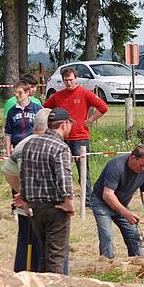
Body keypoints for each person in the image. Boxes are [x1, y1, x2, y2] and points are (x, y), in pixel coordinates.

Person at [19, 107, 76, 274]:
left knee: (44, 255)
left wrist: (25, 201)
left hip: (35, 207)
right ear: (65, 124)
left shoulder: (30, 143)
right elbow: (63, 176)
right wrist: (69, 202)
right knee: (56, 257)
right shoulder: (60, 147)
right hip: (55, 207)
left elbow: (24, 173)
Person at [44, 67, 108, 210]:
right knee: (59, 169)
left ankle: (88, 202)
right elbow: (45, 109)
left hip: (80, 138)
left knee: (83, 171)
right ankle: (60, 198)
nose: (68, 82)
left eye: (71, 79)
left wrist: (91, 120)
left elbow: (103, 107)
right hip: (61, 139)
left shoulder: (85, 93)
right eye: (66, 80)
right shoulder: (58, 96)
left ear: (76, 79)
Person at [1, 108, 50, 273]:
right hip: (36, 209)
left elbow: (7, 171)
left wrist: (21, 191)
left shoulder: (23, 143)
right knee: (37, 251)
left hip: (27, 206)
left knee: (25, 245)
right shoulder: (41, 144)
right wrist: (25, 193)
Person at [92, 144, 144, 260]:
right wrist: (126, 213)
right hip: (101, 203)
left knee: (134, 235)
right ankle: (106, 265)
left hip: (121, 204)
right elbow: (107, 195)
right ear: (132, 158)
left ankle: (138, 262)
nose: (143, 169)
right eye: (141, 165)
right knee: (107, 236)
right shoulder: (116, 166)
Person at [4, 79, 42, 154]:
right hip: (17, 148)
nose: (17, 95)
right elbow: (8, 133)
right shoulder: (11, 111)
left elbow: (43, 130)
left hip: (34, 147)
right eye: (15, 93)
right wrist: (8, 152)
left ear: (27, 92)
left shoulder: (37, 109)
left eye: (20, 93)